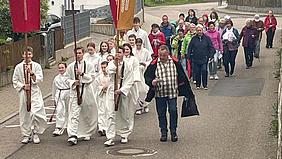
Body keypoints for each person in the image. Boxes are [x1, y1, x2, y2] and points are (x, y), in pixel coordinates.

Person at [144, 45, 196, 142]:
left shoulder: (175, 62)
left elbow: (182, 76)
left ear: (168, 53)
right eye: (160, 55)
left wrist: (186, 91)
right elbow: (147, 76)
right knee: (161, 113)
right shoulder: (154, 63)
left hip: (172, 92)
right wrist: (152, 82)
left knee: (173, 111)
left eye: (164, 55)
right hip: (160, 93)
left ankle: (173, 132)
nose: (162, 57)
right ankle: (163, 132)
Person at [12, 46, 47, 144]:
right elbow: (15, 80)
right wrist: (23, 86)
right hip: (24, 93)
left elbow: (39, 79)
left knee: (35, 112)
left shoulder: (36, 66)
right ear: (23, 55)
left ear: (32, 54)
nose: (27, 56)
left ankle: (35, 132)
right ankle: (26, 134)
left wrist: (31, 73)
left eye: (29, 54)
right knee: (25, 113)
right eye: (25, 54)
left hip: (34, 92)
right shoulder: (18, 67)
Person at [66, 47, 98, 145]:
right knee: (74, 113)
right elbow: (66, 78)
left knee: (87, 113)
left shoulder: (89, 65)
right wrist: (73, 82)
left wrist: (82, 74)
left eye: (80, 53)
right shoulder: (71, 66)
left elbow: (92, 78)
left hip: (86, 91)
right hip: (75, 92)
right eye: (76, 53)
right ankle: (72, 134)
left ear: (83, 54)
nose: (78, 55)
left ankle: (87, 132)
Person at [105, 46, 134, 145]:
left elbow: (130, 80)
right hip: (112, 91)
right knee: (110, 113)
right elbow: (109, 72)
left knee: (123, 113)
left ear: (123, 54)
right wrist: (114, 63)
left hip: (122, 91)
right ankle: (110, 137)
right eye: (117, 53)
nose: (118, 54)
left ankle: (124, 134)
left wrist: (121, 90)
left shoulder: (128, 65)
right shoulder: (111, 64)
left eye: (120, 52)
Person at [187, 24, 215, 90]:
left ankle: (205, 85)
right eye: (198, 30)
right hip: (196, 58)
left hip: (204, 58)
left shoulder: (207, 38)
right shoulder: (193, 39)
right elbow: (190, 48)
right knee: (197, 71)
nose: (199, 32)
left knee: (204, 70)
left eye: (200, 30)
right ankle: (198, 85)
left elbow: (211, 47)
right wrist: (188, 56)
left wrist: (211, 55)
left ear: (202, 30)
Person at [122, 43, 141, 130]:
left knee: (132, 101)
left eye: (127, 49)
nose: (126, 51)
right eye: (124, 49)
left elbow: (136, 70)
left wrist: (134, 80)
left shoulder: (134, 59)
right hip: (122, 84)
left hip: (132, 84)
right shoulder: (120, 60)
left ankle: (130, 115)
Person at [134, 38, 152, 115]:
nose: (138, 46)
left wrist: (145, 64)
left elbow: (150, 60)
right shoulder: (133, 51)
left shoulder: (146, 51)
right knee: (137, 90)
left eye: (139, 45)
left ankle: (145, 105)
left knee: (144, 90)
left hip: (144, 72)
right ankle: (138, 107)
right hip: (136, 72)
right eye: (137, 45)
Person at [51, 62, 70, 136]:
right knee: (59, 110)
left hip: (67, 93)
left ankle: (69, 125)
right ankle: (58, 126)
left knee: (68, 110)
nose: (61, 69)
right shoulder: (56, 78)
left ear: (66, 68)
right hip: (59, 94)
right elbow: (54, 88)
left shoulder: (69, 76)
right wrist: (53, 98)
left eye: (62, 68)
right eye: (59, 68)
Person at [95, 61, 110, 137]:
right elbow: (97, 86)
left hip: (109, 95)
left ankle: (107, 128)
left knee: (108, 111)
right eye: (102, 67)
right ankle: (101, 128)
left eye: (105, 67)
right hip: (102, 95)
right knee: (101, 111)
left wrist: (108, 88)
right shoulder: (99, 77)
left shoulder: (111, 76)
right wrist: (102, 88)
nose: (103, 69)